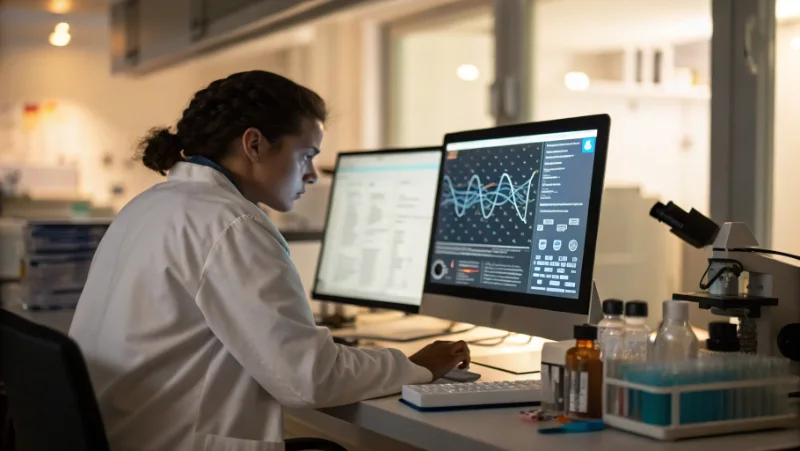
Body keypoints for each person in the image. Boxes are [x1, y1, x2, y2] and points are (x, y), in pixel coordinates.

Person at [68, 70, 471, 451]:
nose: (312, 174)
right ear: (255, 144)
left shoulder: (150, 204)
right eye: (306, 154)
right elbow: (308, 378)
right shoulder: (232, 222)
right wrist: (415, 366)